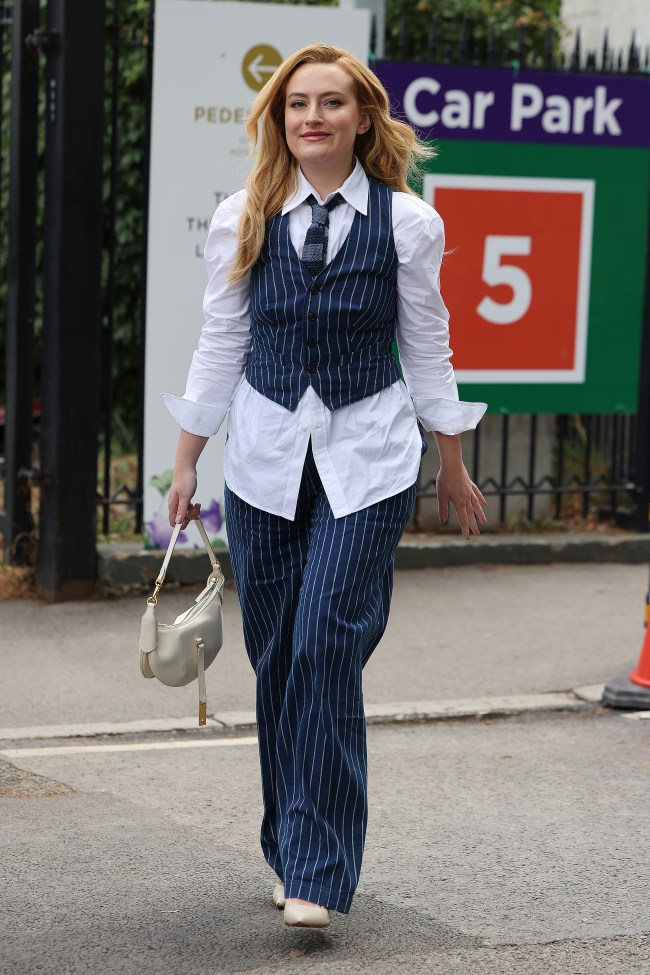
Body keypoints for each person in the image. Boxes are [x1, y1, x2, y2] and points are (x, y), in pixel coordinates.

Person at [164, 43, 487, 928]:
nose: (313, 116)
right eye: (298, 103)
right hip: (265, 462)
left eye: (332, 103)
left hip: (370, 460)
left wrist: (450, 460)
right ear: (280, 119)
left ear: (362, 117)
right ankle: (290, 845)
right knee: (277, 664)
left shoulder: (409, 223)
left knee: (324, 647)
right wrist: (188, 459)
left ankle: (317, 870)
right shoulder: (245, 216)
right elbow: (220, 342)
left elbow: (428, 346)